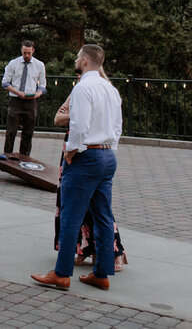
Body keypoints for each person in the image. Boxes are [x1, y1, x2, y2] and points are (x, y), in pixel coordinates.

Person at [32, 44, 122, 291]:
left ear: (84, 61)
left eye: (77, 57)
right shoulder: (111, 89)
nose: (75, 60)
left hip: (86, 157)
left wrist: (71, 150)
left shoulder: (83, 87)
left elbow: (79, 126)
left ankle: (61, 274)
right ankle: (101, 274)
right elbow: (117, 128)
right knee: (103, 217)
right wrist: (110, 152)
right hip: (106, 156)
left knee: (71, 215)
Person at [53, 94, 127, 273]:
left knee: (99, 209)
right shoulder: (77, 91)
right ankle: (83, 250)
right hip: (73, 148)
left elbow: (112, 123)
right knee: (73, 206)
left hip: (87, 151)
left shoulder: (101, 91)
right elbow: (57, 118)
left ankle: (112, 254)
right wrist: (76, 114)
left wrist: (77, 116)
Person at [1, 41, 47, 157]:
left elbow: (42, 84)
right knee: (11, 131)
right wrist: (18, 92)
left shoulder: (39, 65)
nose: (27, 55)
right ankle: (7, 157)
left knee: (28, 132)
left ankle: (24, 158)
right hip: (16, 100)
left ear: (33, 51)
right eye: (24, 53)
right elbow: (5, 82)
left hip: (31, 101)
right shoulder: (13, 63)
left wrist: (39, 93)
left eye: (29, 53)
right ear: (21, 51)